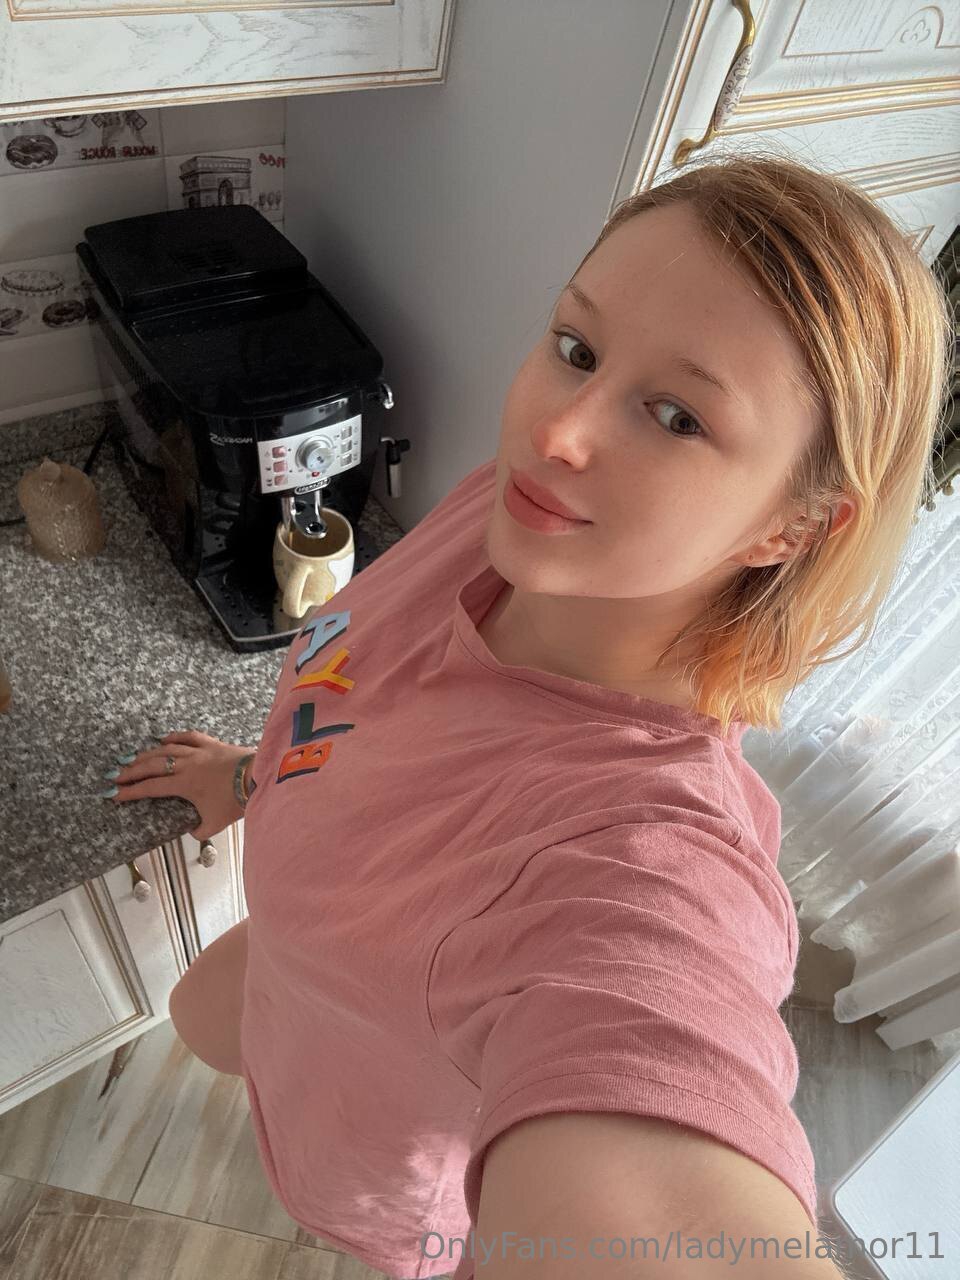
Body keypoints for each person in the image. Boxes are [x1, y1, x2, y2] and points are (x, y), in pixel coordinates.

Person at [103, 152, 953, 1279]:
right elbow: (371, 701)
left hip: (368, 1148)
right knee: (189, 1008)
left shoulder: (632, 858)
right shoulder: (510, 522)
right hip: (288, 973)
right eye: (577, 348)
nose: (559, 429)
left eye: (676, 416)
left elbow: (657, 1067)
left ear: (791, 527)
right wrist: (254, 778)